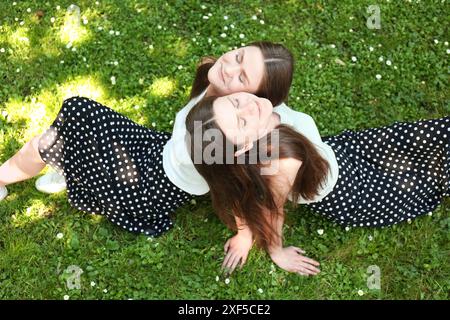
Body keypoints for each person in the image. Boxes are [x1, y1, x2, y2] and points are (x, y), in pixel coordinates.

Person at [0, 42, 294, 238]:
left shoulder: (230, 141)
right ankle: (69, 163)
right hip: (157, 149)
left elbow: (243, 188)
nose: (229, 67)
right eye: (239, 56)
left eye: (242, 77)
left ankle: (19, 173)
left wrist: (245, 235)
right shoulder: (222, 90)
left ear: (256, 101)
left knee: (56, 133)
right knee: (76, 113)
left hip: (150, 185)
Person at [185, 92, 449, 276]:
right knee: (424, 178)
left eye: (234, 101)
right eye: (242, 122)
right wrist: (273, 249)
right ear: (242, 148)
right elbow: (270, 211)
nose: (247, 107)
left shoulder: (259, 104)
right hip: (350, 190)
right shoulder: (279, 160)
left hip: (346, 152)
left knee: (427, 138)